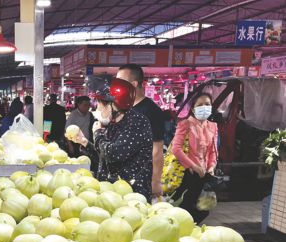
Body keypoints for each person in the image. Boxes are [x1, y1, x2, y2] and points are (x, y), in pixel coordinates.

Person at [71, 76, 153, 200]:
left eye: (100, 105)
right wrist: (85, 143)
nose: (97, 109)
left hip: (131, 195)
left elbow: (114, 154)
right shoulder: (113, 124)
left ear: (114, 105)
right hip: (110, 193)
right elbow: (104, 158)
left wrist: (97, 134)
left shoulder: (136, 122)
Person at [117, 64, 165, 199]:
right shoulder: (121, 108)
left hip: (140, 178)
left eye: (120, 80)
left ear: (133, 84)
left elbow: (157, 149)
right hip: (120, 176)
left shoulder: (151, 111)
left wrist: (156, 181)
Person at [171, 93, 218, 223]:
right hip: (187, 174)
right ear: (193, 108)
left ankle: (192, 231)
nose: (204, 107)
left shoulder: (213, 126)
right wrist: (193, 166)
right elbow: (176, 149)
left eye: (207, 104)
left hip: (204, 175)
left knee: (202, 209)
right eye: (200, 105)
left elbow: (213, 151)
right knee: (184, 207)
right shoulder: (185, 124)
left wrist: (211, 167)